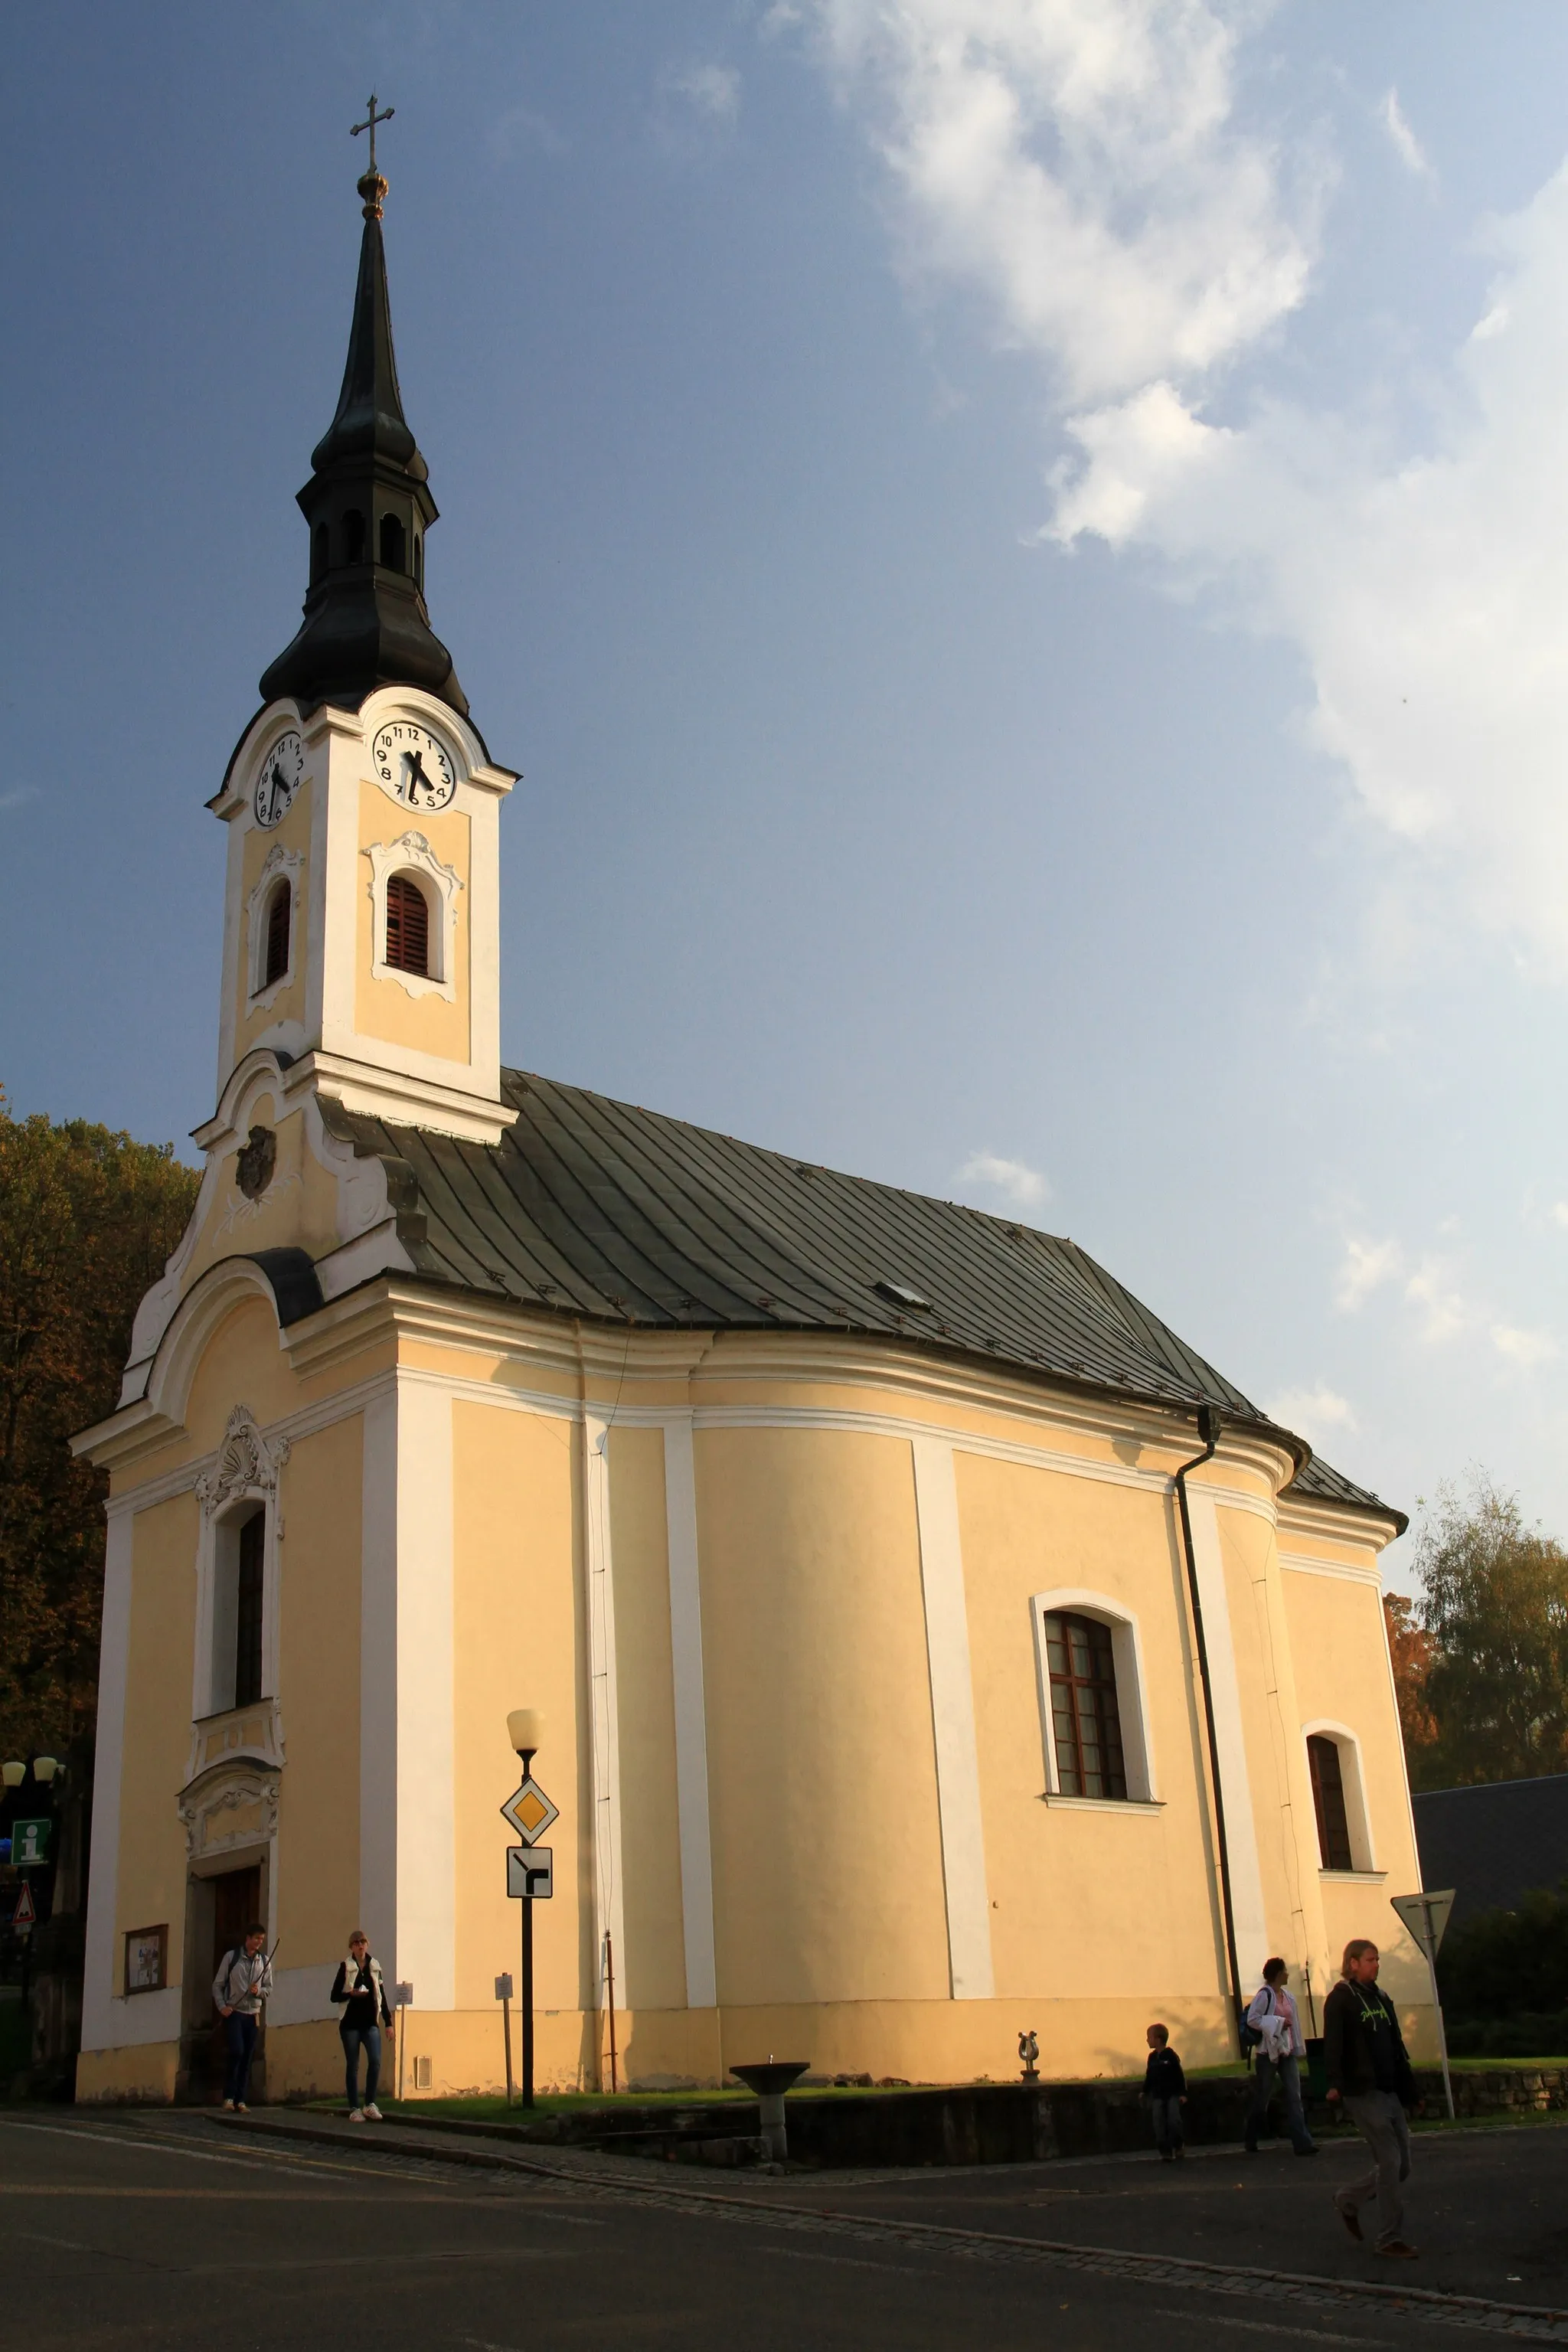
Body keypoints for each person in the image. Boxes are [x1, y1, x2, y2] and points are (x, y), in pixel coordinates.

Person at [1324, 1938, 1420, 2259]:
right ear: (1353, 1963)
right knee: (1390, 2161)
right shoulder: (1341, 2000)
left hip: (1389, 2089)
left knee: (1402, 2165)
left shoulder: (1380, 1998)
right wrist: (1336, 2083)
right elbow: (1333, 2046)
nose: (1376, 1964)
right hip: (1363, 2091)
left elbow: (1396, 2046)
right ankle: (1390, 2238)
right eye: (1370, 1959)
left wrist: (1410, 2090)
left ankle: (1349, 2199)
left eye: (1377, 1959)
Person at [1244, 1956, 1318, 2157]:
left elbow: (1295, 2024)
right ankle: (1251, 2136)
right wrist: (1276, 2022)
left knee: (1295, 2096)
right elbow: (1253, 2019)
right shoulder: (1265, 1996)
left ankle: (1302, 2143)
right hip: (1268, 2052)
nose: (1288, 1974)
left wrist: (1297, 2048)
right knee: (1263, 2096)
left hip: (1286, 2050)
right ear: (1277, 1974)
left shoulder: (1289, 1997)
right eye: (1285, 1970)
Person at [331, 1930, 392, 2122]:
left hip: (370, 2022)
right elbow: (334, 1996)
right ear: (351, 1947)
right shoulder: (346, 1966)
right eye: (356, 1943)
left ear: (367, 1944)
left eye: (363, 1942)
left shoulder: (375, 1966)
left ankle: (370, 2104)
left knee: (375, 2060)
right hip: (350, 2023)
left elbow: (381, 1996)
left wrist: (388, 2023)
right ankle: (354, 2107)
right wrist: (351, 1994)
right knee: (354, 2065)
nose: (360, 1946)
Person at [213, 1922, 273, 2112]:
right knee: (237, 2051)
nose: (258, 1943)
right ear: (247, 1939)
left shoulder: (264, 1961)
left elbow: (269, 1988)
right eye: (256, 1939)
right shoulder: (232, 1958)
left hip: (253, 2014)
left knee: (247, 2056)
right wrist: (222, 2007)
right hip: (235, 2012)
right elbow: (218, 1985)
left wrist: (259, 1991)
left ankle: (241, 2100)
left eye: (261, 1940)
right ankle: (228, 2097)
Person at [1143, 2021, 1187, 2161]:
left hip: (1172, 2094)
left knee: (1174, 2120)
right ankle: (1165, 2150)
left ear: (1158, 2039)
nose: (1147, 2040)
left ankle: (1178, 2145)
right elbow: (1149, 2076)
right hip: (1158, 2095)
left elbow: (1179, 2076)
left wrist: (1183, 2094)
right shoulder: (1152, 2058)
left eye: (1149, 2037)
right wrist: (1144, 2091)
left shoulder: (1170, 2056)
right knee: (1159, 2122)